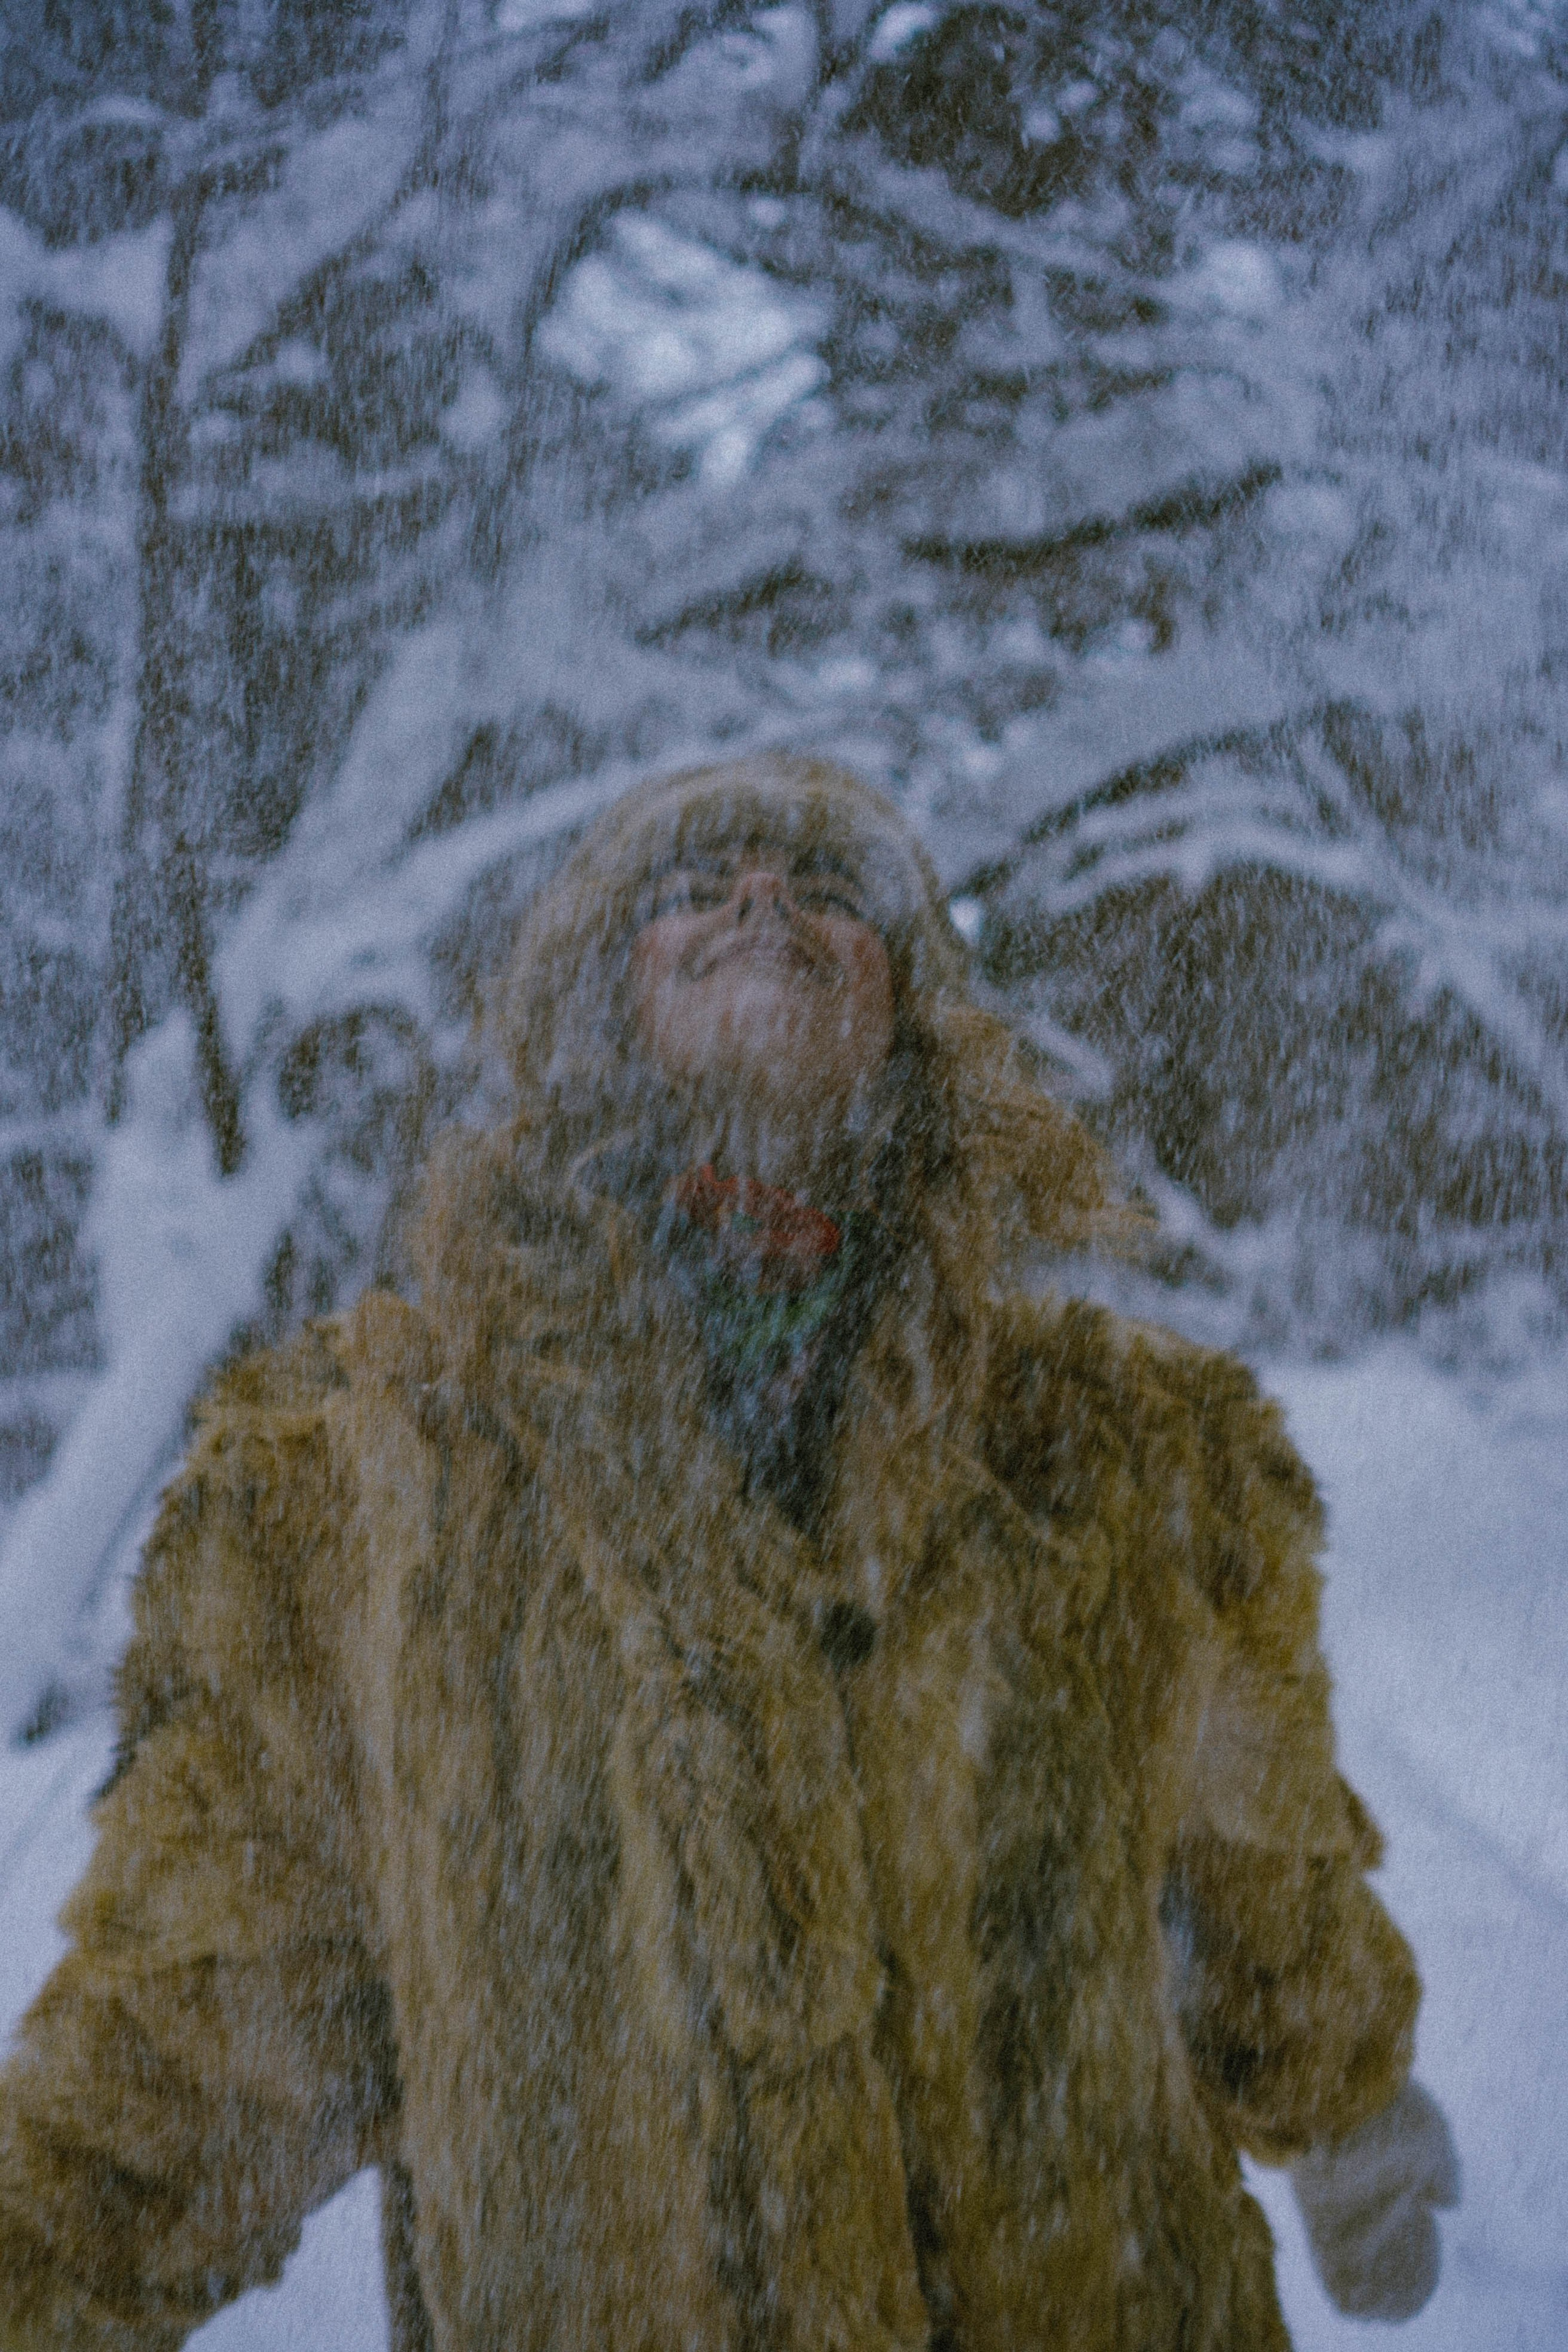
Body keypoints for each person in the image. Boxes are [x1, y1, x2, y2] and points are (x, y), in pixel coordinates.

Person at [0, 755, 1456, 2352]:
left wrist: (1348, 2091)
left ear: (912, 1012)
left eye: (829, 891)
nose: (766, 900)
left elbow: (1261, 1847)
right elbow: (192, 2028)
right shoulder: (354, 1482)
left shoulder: (1123, 1448)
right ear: (595, 998)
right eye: (700, 888)